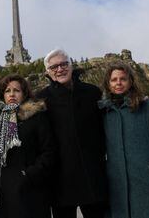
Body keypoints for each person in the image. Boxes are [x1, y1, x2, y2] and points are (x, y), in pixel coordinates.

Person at [98, 62, 149, 218]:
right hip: (117, 189)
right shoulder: (103, 113)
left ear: (131, 81)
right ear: (108, 84)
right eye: (113, 79)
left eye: (123, 79)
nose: (118, 83)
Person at [37, 49, 108, 218]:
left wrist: (139, 99)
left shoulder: (92, 92)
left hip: (92, 175)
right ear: (48, 72)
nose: (59, 69)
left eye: (63, 64)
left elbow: (109, 121)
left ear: (71, 65)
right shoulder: (41, 98)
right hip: (60, 179)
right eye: (54, 67)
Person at [0, 74, 55, 218]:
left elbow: (49, 151)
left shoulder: (36, 117)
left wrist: (29, 174)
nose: (11, 94)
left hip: (28, 192)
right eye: (7, 91)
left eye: (16, 90)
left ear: (24, 94)